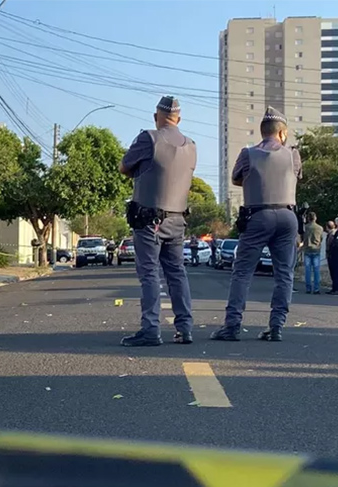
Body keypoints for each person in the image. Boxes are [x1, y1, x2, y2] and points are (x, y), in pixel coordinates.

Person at [211, 106, 302, 343]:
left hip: (257, 216)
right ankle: (276, 326)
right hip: (287, 216)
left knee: (242, 272)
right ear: (282, 133)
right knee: (284, 274)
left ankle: (232, 326)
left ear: (263, 132)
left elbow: (236, 178)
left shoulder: (247, 153)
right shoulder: (293, 154)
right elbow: (296, 176)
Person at [119, 95, 197, 346]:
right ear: (179, 119)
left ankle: (151, 329)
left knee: (149, 273)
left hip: (149, 219)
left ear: (156, 117)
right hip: (177, 220)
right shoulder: (191, 145)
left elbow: (124, 166)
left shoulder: (148, 138)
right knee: (177, 273)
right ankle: (185, 327)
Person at [303, 211, 323, 294]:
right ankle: (316, 288)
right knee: (316, 269)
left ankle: (308, 288)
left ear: (308, 218)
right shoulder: (320, 228)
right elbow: (321, 238)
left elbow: (302, 237)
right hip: (316, 249)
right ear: (315, 218)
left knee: (307, 270)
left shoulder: (305, 227)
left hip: (307, 249)